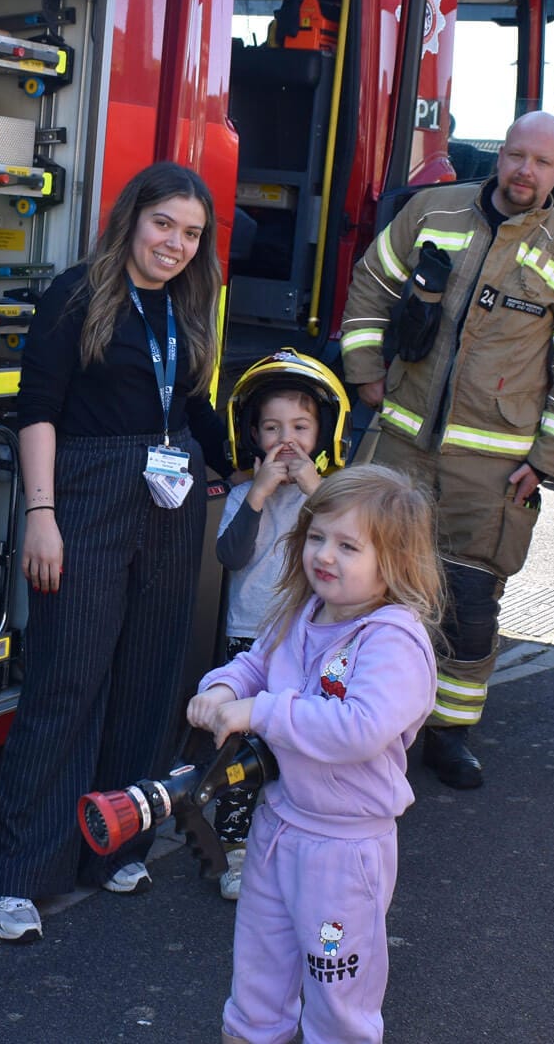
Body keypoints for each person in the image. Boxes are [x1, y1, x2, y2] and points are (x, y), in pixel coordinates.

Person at [0, 161, 235, 942]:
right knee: (68, 682)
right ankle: (11, 879)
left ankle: (114, 843)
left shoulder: (190, 303)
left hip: (171, 494)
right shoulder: (76, 295)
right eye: (165, 225)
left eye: (192, 234)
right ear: (133, 218)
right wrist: (42, 516)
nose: (176, 245)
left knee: (150, 678)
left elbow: (191, 403)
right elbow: (37, 411)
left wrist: (250, 465)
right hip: (84, 492)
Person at [337, 111, 554, 790]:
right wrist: (366, 366)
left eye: (541, 163)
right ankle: (358, 725)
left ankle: (449, 734)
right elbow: (373, 284)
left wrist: (548, 456)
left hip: (489, 470)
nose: (525, 171)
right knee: (367, 590)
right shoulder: (434, 212)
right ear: (501, 156)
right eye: (516, 155)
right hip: (399, 443)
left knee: (468, 608)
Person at [186, 465, 442, 1044]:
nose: (325, 555)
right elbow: (256, 663)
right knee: (259, 968)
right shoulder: (304, 613)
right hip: (278, 827)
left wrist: (261, 712)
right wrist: (223, 688)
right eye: (318, 537)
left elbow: (360, 727)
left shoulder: (392, 639)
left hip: (344, 849)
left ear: (395, 561)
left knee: (336, 990)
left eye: (349, 546)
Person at [211, 349, 346, 899]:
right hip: (249, 638)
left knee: (297, 748)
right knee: (239, 753)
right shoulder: (246, 493)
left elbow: (352, 534)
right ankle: (238, 853)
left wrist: (316, 486)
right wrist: (261, 494)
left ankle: (297, 846)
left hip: (308, 640)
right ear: (253, 435)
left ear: (323, 433)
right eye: (271, 428)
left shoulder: (333, 495)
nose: (285, 440)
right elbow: (230, 555)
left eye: (299, 427)